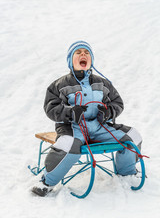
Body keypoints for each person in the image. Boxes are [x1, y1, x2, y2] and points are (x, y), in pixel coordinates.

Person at [31, 41, 142, 197]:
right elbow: (51, 108)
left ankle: (127, 173)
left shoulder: (102, 83)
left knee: (133, 136)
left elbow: (117, 102)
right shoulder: (59, 85)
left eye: (86, 52)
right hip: (73, 127)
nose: (83, 54)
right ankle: (46, 182)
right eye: (78, 52)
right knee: (68, 144)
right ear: (71, 60)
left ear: (91, 60)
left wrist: (108, 112)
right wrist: (70, 112)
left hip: (98, 126)